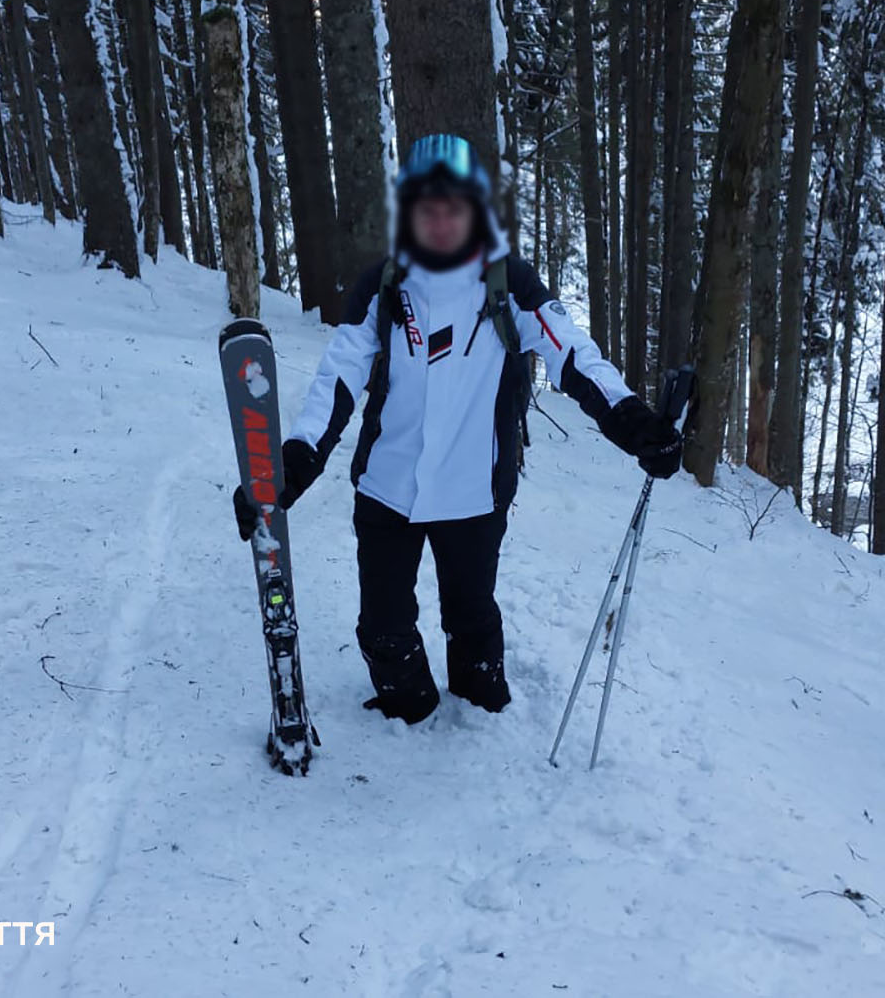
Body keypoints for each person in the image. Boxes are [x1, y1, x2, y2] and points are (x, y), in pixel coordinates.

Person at [233, 133, 682, 725]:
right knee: (383, 625)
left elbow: (573, 354)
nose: (441, 220)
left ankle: (480, 710)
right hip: (387, 488)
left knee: (471, 615)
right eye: (427, 206)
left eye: (455, 206)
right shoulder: (384, 287)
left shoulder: (508, 284)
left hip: (473, 492)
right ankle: (407, 703)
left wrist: (632, 422)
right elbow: (337, 380)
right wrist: (294, 462)